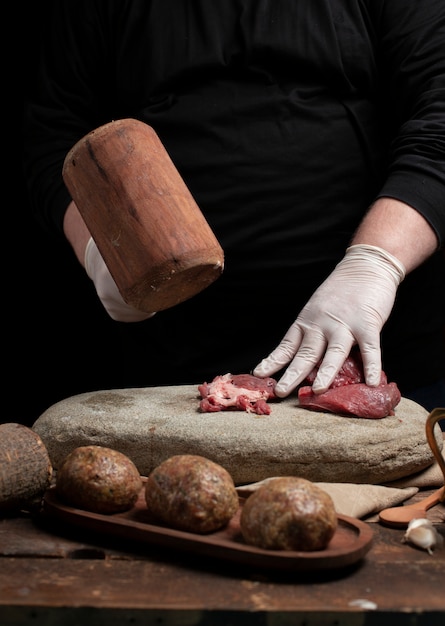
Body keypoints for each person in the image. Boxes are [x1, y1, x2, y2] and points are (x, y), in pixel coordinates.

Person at [23, 0, 445, 416]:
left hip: (374, 348)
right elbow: (52, 132)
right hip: (164, 370)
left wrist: (376, 263)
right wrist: (99, 247)